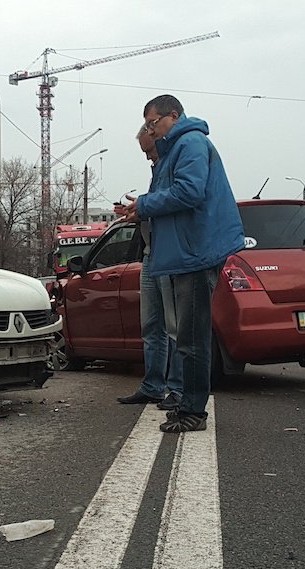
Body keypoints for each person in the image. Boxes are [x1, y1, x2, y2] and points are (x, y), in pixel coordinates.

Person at [115, 94, 244, 433]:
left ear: (173, 115)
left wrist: (145, 204)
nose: (150, 130)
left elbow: (189, 192)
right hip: (187, 251)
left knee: (193, 337)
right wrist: (140, 209)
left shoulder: (191, 143)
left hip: (197, 251)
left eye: (152, 123)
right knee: (186, 336)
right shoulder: (176, 148)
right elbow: (169, 199)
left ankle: (194, 412)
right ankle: (187, 404)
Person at [116, 126, 183, 411]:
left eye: (149, 151)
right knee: (152, 326)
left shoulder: (175, 164)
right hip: (150, 255)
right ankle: (153, 386)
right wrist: (138, 213)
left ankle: (178, 390)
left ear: (161, 141)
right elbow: (158, 208)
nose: (148, 157)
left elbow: (177, 202)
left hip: (169, 256)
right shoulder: (157, 169)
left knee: (174, 328)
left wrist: (144, 206)